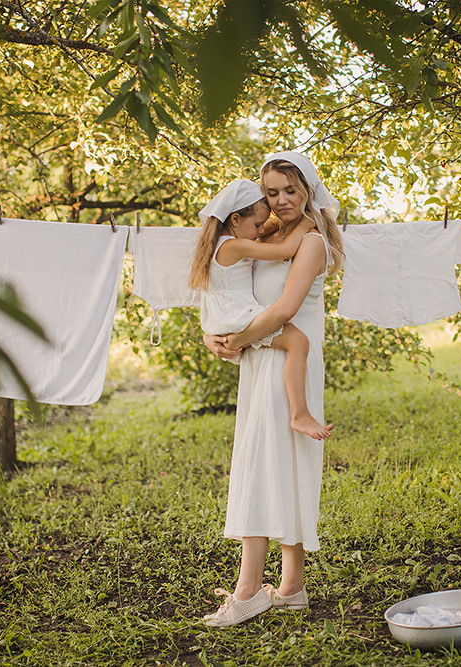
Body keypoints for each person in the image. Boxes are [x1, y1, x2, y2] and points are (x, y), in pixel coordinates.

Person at [201, 152, 345, 628]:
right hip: (261, 359)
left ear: (307, 190)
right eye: (271, 192)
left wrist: (237, 340)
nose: (281, 200)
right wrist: (214, 335)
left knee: (268, 465)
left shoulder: (311, 241)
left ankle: (247, 593)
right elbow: (227, 288)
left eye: (290, 190)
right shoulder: (265, 235)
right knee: (275, 464)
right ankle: (291, 588)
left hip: (287, 361)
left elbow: (284, 309)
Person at [188, 179, 333, 441]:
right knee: (298, 342)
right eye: (257, 225)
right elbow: (285, 249)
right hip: (238, 316)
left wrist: (282, 219)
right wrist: (306, 223)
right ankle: (300, 414)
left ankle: (299, 414)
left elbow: (269, 226)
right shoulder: (235, 245)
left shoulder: (222, 240)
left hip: (224, 317)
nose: (260, 231)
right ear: (235, 219)